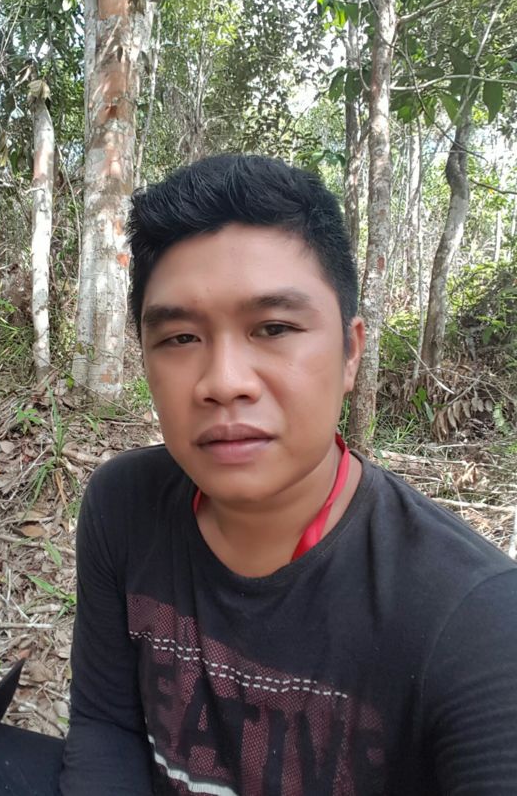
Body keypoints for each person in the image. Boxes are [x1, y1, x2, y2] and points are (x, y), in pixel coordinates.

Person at [59, 154, 517, 795]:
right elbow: (106, 727)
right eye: (181, 338)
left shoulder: (477, 620)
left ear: (350, 352)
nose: (223, 382)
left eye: (274, 328)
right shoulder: (124, 506)